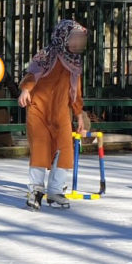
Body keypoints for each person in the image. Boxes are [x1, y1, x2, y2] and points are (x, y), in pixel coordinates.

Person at [18, 20, 89, 211]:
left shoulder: (75, 62)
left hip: (61, 114)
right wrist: (26, 90)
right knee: (40, 150)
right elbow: (31, 74)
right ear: (63, 37)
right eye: (76, 38)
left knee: (65, 151)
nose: (80, 43)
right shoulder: (46, 55)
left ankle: (55, 190)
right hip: (39, 110)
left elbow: (76, 92)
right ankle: (35, 190)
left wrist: (79, 114)